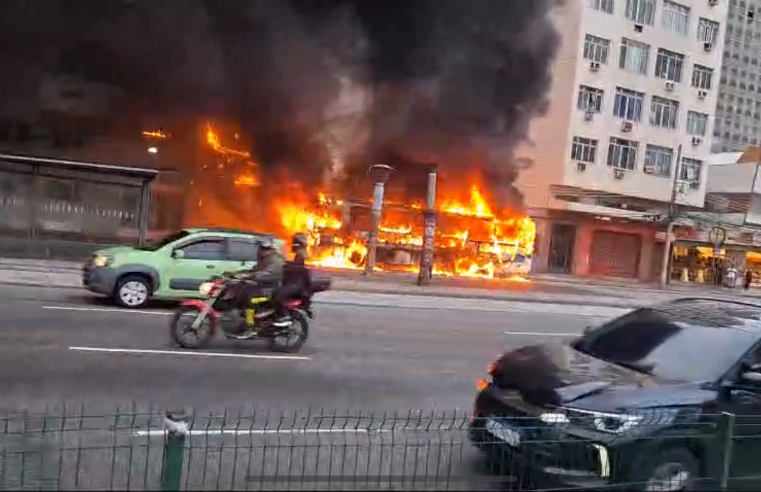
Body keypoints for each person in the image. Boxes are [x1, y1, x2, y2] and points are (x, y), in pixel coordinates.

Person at [272, 233, 312, 327]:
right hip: (296, 283)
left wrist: (285, 260)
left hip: (297, 285)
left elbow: (295, 268)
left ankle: (284, 316)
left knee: (278, 294)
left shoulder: (301, 256)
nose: (292, 246)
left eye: (294, 244)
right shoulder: (300, 256)